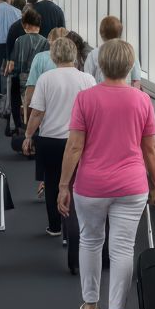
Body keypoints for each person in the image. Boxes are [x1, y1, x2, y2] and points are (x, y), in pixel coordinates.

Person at [58, 40, 155, 309]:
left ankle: (90, 304)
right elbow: (152, 148)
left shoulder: (86, 99)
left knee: (90, 241)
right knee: (123, 249)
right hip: (131, 186)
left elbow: (74, 147)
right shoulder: (141, 100)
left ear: (101, 65)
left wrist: (63, 185)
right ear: (130, 65)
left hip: (91, 185)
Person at [24, 35, 94, 235]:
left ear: (53, 56)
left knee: (53, 181)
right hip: (79, 140)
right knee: (77, 183)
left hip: (50, 140)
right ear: (75, 55)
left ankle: (55, 226)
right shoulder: (87, 79)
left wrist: (29, 135)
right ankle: (73, 228)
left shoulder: (46, 78)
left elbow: (37, 113)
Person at [6, 8, 47, 134]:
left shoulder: (20, 40)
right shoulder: (45, 41)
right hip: (40, 79)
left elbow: (12, 65)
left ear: (26, 25)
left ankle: (18, 127)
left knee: (19, 103)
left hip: (22, 79)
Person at [84, 15, 142, 84]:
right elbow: (136, 80)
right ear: (120, 33)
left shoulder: (94, 54)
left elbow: (87, 79)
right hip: (125, 93)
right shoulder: (130, 52)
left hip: (100, 93)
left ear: (101, 34)